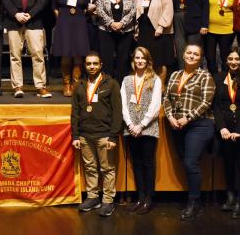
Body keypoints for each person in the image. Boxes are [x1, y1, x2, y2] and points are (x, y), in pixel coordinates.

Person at [163, 43, 215, 221]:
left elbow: (206, 102)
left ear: (200, 58)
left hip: (199, 125)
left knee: (191, 162)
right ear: (183, 55)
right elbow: (166, 98)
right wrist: (170, 117)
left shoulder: (205, 76)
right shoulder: (175, 75)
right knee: (186, 162)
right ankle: (195, 198)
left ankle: (194, 202)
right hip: (176, 124)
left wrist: (188, 117)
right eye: (189, 53)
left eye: (196, 54)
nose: (192, 56)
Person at [71, 51, 122, 217]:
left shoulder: (111, 84)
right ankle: (93, 197)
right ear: (85, 66)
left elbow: (117, 112)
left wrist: (114, 136)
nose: (92, 66)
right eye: (88, 64)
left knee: (107, 169)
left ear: (101, 65)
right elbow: (75, 113)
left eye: (95, 63)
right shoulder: (79, 85)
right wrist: (76, 136)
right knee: (90, 167)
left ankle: (108, 200)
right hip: (85, 135)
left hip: (104, 135)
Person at [213, 46, 240, 219]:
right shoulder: (218, 79)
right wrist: (222, 127)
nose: (233, 62)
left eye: (237, 59)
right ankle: (230, 196)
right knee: (228, 164)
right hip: (225, 131)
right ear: (226, 61)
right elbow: (215, 106)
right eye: (230, 59)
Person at [1, 0, 51, 98]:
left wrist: (30, 14)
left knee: (37, 54)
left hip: (33, 21)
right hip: (14, 21)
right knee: (15, 55)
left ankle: (40, 87)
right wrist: (15, 13)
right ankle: (17, 87)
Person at [120, 47, 162, 215]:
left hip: (148, 128)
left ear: (148, 60)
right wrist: (130, 125)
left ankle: (149, 200)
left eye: (143, 58)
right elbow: (123, 104)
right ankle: (140, 197)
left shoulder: (155, 79)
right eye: (137, 58)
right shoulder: (127, 80)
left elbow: (155, 106)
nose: (140, 61)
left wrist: (141, 125)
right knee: (136, 164)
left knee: (148, 163)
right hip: (131, 128)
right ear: (133, 60)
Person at [52, 0, 90, 97]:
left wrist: (78, 17)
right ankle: (66, 84)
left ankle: (76, 84)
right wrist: (62, 19)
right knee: (66, 55)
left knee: (79, 56)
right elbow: (54, 7)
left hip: (79, 23)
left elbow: (86, 6)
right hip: (64, 25)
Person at [135, 0, 174, 85]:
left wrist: (161, 26)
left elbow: (168, 8)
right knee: (146, 60)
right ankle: (148, 87)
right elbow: (136, 10)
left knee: (159, 61)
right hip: (144, 30)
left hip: (159, 30)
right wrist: (136, 30)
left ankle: (161, 88)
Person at [96, 0, 136, 84]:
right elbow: (99, 9)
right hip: (106, 31)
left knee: (123, 60)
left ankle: (121, 86)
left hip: (126, 31)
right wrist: (111, 23)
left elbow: (133, 10)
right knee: (107, 60)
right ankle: (107, 86)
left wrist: (122, 23)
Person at [170, 0, 208, 70]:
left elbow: (205, 5)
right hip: (178, 20)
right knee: (181, 49)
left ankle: (196, 77)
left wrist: (205, 25)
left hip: (194, 21)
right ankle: (183, 75)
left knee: (193, 51)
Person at [205, 0, 237, 75]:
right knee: (210, 57)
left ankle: (224, 81)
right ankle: (213, 80)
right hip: (210, 29)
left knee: (225, 58)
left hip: (228, 29)